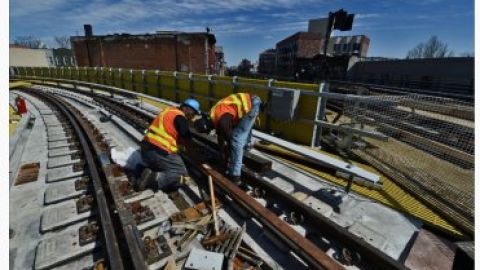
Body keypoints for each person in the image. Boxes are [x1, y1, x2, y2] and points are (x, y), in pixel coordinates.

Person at [194, 93, 263, 185]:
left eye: (209, 130)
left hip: (251, 105)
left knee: (236, 141)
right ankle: (242, 154)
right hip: (250, 102)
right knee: (240, 135)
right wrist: (222, 153)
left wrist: (226, 158)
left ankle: (235, 175)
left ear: (207, 126)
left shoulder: (222, 121)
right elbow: (221, 137)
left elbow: (230, 141)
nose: (211, 131)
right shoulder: (214, 116)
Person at [135, 98, 200, 191]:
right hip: (159, 152)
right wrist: (196, 155)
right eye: (193, 114)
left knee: (167, 166)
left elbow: (170, 135)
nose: (192, 118)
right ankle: (153, 178)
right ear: (187, 109)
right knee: (182, 176)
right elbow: (187, 140)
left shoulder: (169, 111)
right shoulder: (180, 117)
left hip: (146, 150)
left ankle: (142, 170)